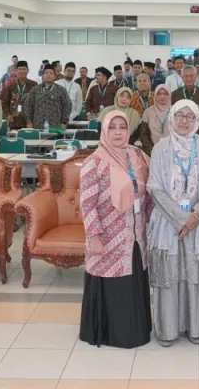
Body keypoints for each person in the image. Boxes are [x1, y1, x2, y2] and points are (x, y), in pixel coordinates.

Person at [145, 100, 199, 346]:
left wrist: (194, 216)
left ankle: (195, 327)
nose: (184, 121)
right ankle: (168, 330)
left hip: (198, 223)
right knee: (170, 273)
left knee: (195, 272)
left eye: (190, 116)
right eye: (180, 115)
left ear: (197, 120)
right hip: (168, 223)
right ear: (172, 118)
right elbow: (154, 187)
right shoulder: (161, 147)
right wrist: (181, 218)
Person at [79, 111, 152, 349]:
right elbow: (87, 203)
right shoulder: (94, 162)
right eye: (113, 127)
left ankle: (136, 330)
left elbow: (150, 189)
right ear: (104, 130)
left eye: (122, 127)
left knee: (132, 278)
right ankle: (113, 334)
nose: (118, 132)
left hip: (135, 234)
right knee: (112, 281)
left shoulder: (137, 155)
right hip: (108, 235)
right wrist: (94, 236)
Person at [24, 65, 73, 132]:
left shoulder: (60, 90)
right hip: (37, 126)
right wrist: (29, 121)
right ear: (43, 75)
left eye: (51, 73)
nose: (48, 75)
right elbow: (28, 105)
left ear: (54, 76)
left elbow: (67, 105)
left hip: (56, 126)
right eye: (46, 73)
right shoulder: (35, 89)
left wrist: (64, 122)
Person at [171, 65, 199, 139]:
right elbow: (172, 117)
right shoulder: (175, 94)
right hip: (180, 135)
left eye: (191, 76)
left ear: (196, 76)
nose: (189, 78)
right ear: (182, 77)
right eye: (186, 76)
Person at [1, 61, 37, 130]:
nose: (22, 71)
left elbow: (37, 104)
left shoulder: (34, 85)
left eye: (24, 69)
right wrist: (8, 114)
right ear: (16, 71)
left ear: (28, 71)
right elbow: (5, 102)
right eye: (20, 69)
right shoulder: (11, 86)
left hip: (29, 123)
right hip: (14, 121)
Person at [140, 84, 172, 156]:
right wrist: (152, 152)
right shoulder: (148, 112)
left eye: (165, 94)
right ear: (155, 96)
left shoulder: (175, 111)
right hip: (153, 152)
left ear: (169, 95)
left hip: (173, 152)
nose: (162, 96)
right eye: (159, 94)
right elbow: (144, 135)